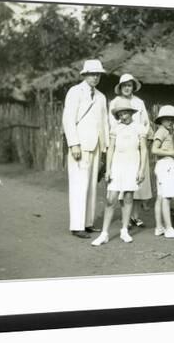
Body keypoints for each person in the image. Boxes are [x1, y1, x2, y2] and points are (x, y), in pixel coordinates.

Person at [62, 59, 109, 239]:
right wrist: (73, 144)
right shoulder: (75, 92)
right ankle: (76, 225)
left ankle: (87, 222)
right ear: (85, 75)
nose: (95, 77)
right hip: (80, 145)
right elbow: (68, 119)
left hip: (96, 144)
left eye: (98, 74)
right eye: (92, 74)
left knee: (91, 186)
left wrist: (105, 147)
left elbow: (104, 123)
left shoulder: (101, 96)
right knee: (79, 184)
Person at [92, 99, 147, 246]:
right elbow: (110, 150)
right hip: (117, 165)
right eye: (120, 113)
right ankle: (104, 234)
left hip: (132, 165)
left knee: (128, 197)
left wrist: (141, 169)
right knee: (111, 199)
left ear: (131, 113)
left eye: (126, 112)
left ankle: (124, 230)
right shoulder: (115, 129)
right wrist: (108, 169)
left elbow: (144, 150)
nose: (123, 116)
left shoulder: (139, 128)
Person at [108, 73, 152, 227]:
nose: (127, 88)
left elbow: (146, 122)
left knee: (138, 181)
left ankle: (135, 216)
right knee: (121, 183)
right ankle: (124, 216)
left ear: (133, 86)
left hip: (137, 143)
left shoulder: (139, 103)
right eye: (124, 85)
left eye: (129, 85)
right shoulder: (115, 102)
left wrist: (142, 136)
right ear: (120, 87)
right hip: (122, 143)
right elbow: (112, 123)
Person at [151, 105, 174, 239]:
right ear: (161, 120)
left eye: (172, 119)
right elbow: (154, 149)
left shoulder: (165, 131)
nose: (170, 121)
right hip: (166, 164)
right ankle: (169, 228)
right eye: (167, 119)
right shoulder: (162, 131)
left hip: (163, 164)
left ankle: (159, 227)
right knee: (166, 197)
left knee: (160, 197)